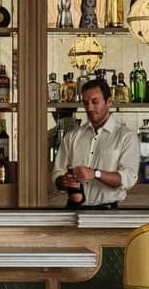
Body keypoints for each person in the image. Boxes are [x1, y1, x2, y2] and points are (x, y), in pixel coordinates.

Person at [52, 76, 139, 210]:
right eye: (86, 103)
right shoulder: (72, 136)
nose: (90, 108)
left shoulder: (126, 137)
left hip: (108, 214)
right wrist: (63, 181)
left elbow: (128, 178)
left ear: (109, 101)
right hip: (72, 211)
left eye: (95, 102)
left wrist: (95, 174)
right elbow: (57, 174)